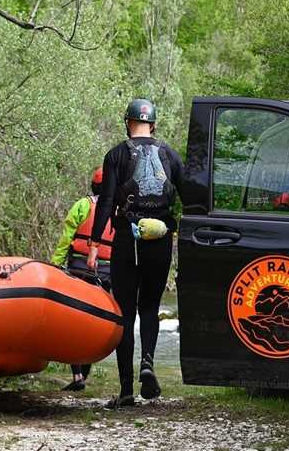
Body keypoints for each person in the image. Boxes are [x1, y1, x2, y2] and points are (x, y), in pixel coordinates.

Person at [87, 98, 183, 406]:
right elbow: (190, 194)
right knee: (150, 308)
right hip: (160, 240)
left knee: (125, 313)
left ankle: (126, 389)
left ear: (128, 122)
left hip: (128, 241)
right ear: (153, 124)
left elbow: (105, 202)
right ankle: (149, 362)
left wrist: (93, 243)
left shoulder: (116, 154)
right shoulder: (169, 153)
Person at [51, 168, 116, 391]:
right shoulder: (118, 210)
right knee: (96, 321)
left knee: (75, 320)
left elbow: (66, 238)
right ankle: (84, 375)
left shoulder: (82, 205)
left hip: (79, 269)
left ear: (92, 186)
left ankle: (78, 375)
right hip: (107, 273)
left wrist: (55, 265)